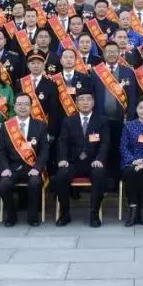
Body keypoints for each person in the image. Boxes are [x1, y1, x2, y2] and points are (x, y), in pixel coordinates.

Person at [53, 91, 109, 228]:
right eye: (82, 100)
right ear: (77, 103)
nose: (85, 102)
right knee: (60, 176)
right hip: (73, 162)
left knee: (99, 174)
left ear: (93, 102)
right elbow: (62, 142)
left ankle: (94, 215)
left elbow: (105, 143)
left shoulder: (102, 120)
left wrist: (100, 159)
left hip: (93, 162)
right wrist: (62, 159)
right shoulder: (68, 121)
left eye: (88, 99)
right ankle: (64, 214)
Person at [0, 94, 49, 227]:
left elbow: (44, 151)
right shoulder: (7, 126)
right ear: (14, 107)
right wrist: (5, 168)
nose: (23, 107)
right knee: (4, 184)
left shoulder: (40, 125)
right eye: (19, 104)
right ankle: (11, 216)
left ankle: (32, 217)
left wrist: (37, 168)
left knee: (35, 183)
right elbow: (1, 151)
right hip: (12, 168)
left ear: (31, 107)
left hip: (32, 166)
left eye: (26, 104)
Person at [92, 42, 136, 173]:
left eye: (114, 51)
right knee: (102, 149)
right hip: (101, 119)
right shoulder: (96, 72)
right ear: (104, 54)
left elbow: (132, 97)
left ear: (119, 53)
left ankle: (117, 179)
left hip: (122, 119)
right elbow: (91, 96)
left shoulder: (128, 71)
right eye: (108, 52)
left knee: (119, 149)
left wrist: (130, 118)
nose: (111, 54)